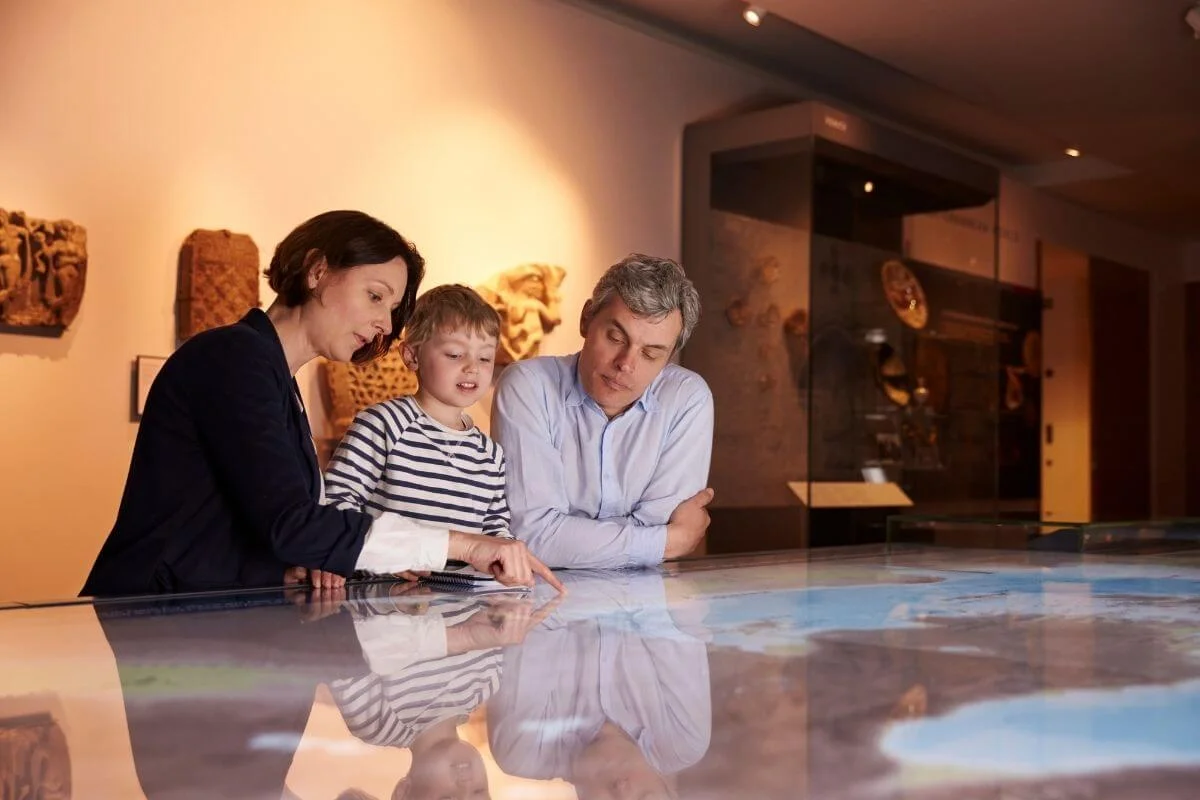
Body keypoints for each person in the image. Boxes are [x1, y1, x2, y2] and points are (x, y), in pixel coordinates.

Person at [81, 210, 561, 597]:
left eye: (392, 311)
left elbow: (253, 522)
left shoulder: (275, 378)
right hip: (158, 624)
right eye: (375, 297)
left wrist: (292, 567)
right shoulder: (232, 358)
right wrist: (461, 546)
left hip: (204, 629)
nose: (383, 324)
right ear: (317, 271)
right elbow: (292, 523)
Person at [490, 253, 715, 570]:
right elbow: (534, 536)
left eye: (651, 353)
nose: (626, 364)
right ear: (586, 319)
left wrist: (568, 536)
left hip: (644, 609)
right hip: (543, 608)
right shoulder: (528, 386)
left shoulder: (686, 399)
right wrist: (668, 541)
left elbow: (550, 538)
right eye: (616, 337)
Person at [323, 284, 512, 543]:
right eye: (455, 354)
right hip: (383, 582)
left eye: (485, 358)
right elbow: (336, 502)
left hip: (461, 583)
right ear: (412, 356)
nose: (472, 368)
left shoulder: (490, 455)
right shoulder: (381, 425)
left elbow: (496, 530)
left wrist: (508, 552)